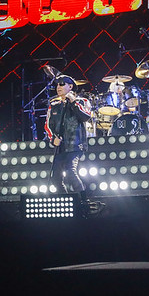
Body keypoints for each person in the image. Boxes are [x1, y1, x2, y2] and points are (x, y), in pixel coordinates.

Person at [45, 75, 101, 212]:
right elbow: (48, 125)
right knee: (55, 177)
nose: (58, 87)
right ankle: (67, 201)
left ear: (70, 87)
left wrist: (73, 101)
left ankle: (84, 200)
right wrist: (53, 138)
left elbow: (85, 116)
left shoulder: (82, 101)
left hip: (75, 143)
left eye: (62, 84)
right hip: (60, 146)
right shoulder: (54, 104)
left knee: (70, 171)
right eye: (57, 85)